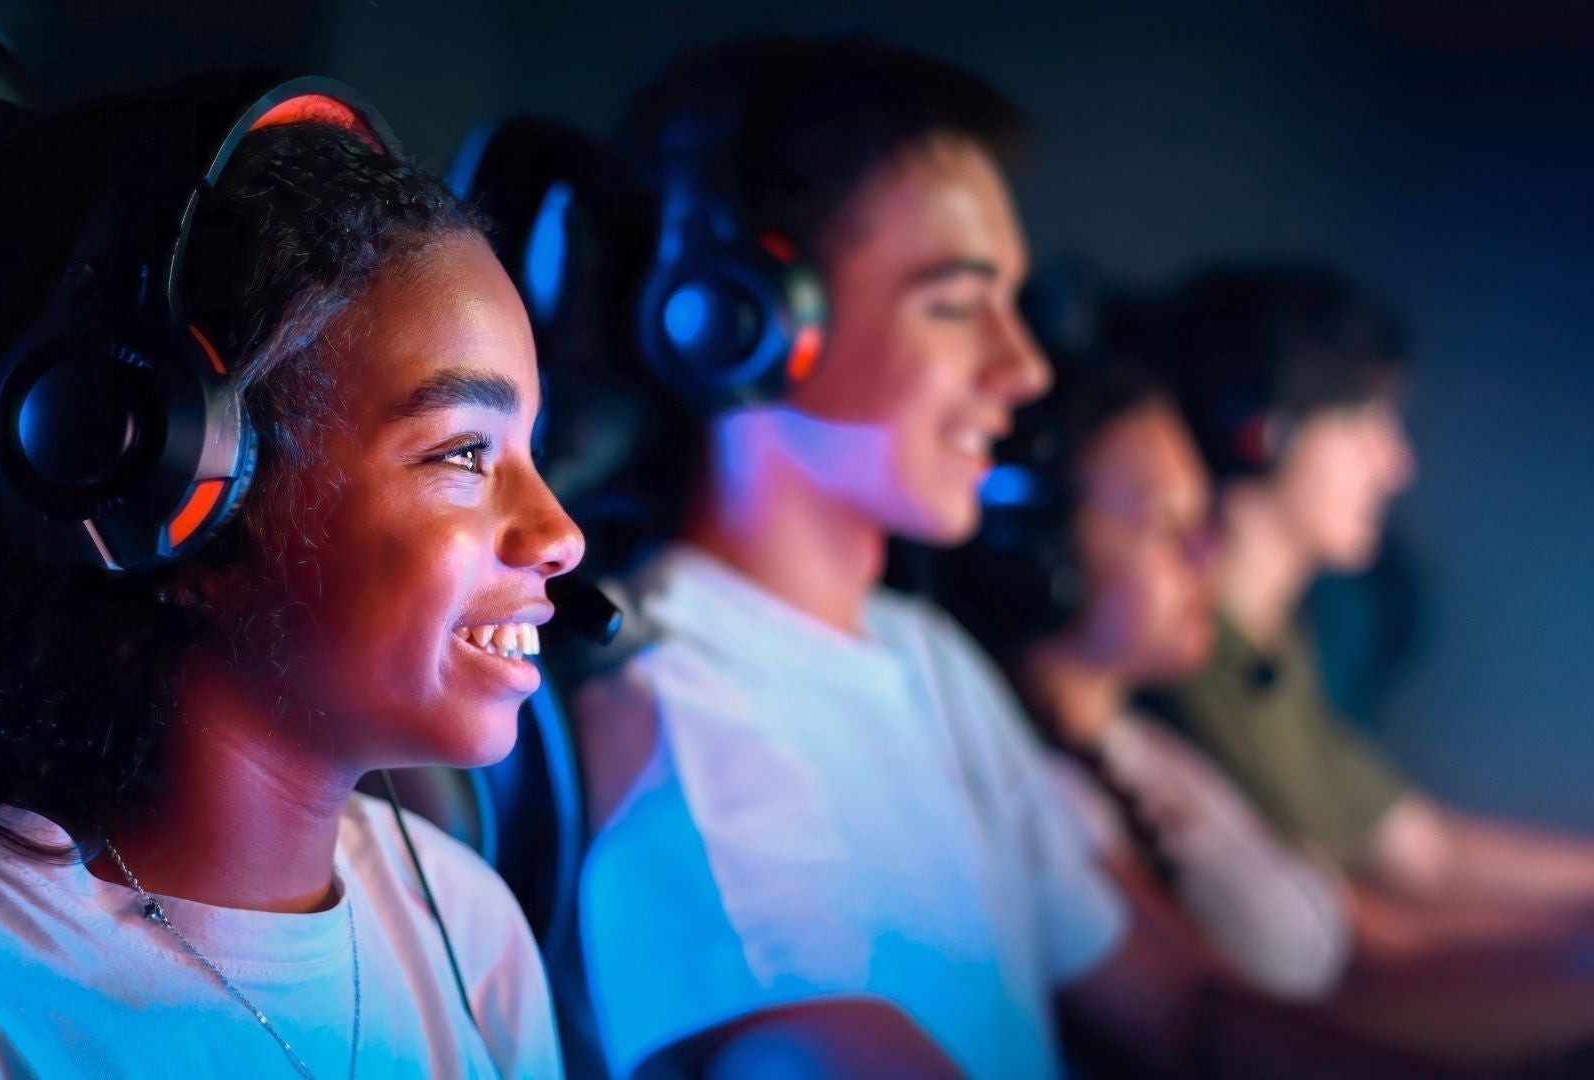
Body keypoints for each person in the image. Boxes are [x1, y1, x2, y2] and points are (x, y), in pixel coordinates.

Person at [567, 37, 1441, 1080]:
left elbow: (1191, 1007)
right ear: (737, 324)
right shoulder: (675, 690)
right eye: (952, 303)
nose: (1022, 370)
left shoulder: (925, 657)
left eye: (1012, 306)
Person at [0, 85, 580, 1077]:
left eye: (529, 447)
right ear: (173, 495)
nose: (560, 534)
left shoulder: (468, 932)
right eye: (465, 454)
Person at [1139, 267, 1594, 953]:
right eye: (1361, 420)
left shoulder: (1276, 647)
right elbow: (1365, 935)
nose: (1396, 463)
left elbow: (1421, 848)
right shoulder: (1189, 659)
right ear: (1260, 432)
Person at [937, 361, 1355, 1002]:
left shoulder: (1152, 750)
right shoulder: (1048, 796)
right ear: (1047, 555)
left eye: (1201, 526)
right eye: (1168, 527)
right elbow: (1203, 1023)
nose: (1205, 557)